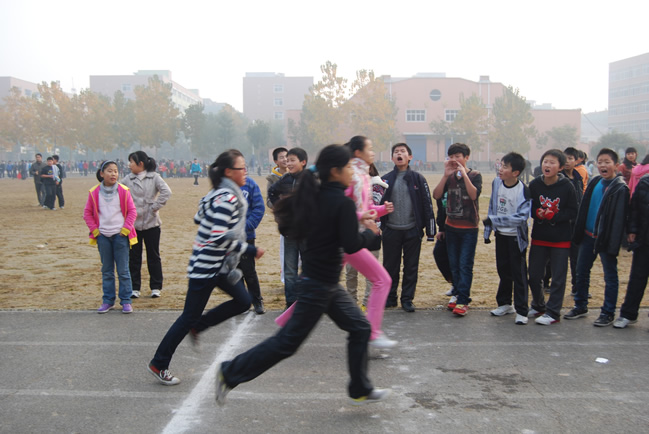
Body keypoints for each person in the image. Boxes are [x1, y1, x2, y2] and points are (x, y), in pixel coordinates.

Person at [215, 144, 390, 406]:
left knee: (361, 327)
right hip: (318, 286)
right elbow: (352, 244)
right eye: (348, 169)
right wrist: (370, 234)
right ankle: (230, 371)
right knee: (287, 343)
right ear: (335, 171)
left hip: (326, 284)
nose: (352, 174)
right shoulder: (338, 202)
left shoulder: (318, 196)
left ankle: (359, 387)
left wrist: (361, 222)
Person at [148, 150, 264, 386]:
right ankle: (159, 363)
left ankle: (199, 326)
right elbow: (217, 237)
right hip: (205, 268)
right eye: (242, 168)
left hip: (219, 267)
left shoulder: (216, 194)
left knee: (243, 301)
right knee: (187, 317)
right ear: (229, 172)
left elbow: (199, 218)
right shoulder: (227, 198)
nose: (246, 172)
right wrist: (250, 250)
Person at [563, 148, 629, 326]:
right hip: (587, 236)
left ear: (616, 165)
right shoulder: (595, 182)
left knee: (610, 276)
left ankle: (607, 312)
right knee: (581, 271)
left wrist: (614, 243)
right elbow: (585, 208)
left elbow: (619, 220)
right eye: (600, 162)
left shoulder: (620, 188)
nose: (603, 165)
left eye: (607, 162)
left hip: (605, 238)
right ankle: (580, 305)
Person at [343, 136, 396, 348]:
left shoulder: (363, 174)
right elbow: (343, 208)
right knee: (383, 280)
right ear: (358, 152)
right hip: (349, 238)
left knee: (318, 285)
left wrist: (381, 210)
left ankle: (286, 323)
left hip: (349, 238)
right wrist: (364, 218)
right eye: (370, 148)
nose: (373, 152)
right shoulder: (353, 176)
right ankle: (372, 333)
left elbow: (362, 207)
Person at [381, 143, 436, 312]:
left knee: (411, 266)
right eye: (396, 152)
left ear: (410, 157)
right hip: (391, 229)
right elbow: (377, 204)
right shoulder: (385, 180)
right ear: (392, 158)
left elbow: (427, 204)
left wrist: (430, 230)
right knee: (390, 266)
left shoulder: (418, 179)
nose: (399, 154)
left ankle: (407, 299)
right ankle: (390, 298)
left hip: (412, 229)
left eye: (403, 151)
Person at [527, 150, 579, 325]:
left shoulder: (567, 186)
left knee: (558, 277)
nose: (547, 165)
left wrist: (554, 216)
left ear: (561, 167)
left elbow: (573, 211)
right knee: (534, 275)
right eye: (545, 162)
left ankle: (553, 312)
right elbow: (529, 207)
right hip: (540, 237)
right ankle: (539, 305)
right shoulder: (534, 185)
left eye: (552, 162)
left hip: (561, 238)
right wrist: (538, 213)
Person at [433, 143, 481, 316]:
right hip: (451, 227)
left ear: (466, 157)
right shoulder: (449, 177)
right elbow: (437, 195)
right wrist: (446, 176)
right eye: (451, 157)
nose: (454, 160)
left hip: (469, 229)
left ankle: (463, 300)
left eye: (458, 156)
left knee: (465, 265)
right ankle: (457, 294)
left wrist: (464, 174)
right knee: (454, 264)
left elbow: (474, 195)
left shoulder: (475, 175)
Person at [483, 152, 532, 325]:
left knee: (518, 274)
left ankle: (522, 310)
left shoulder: (524, 190)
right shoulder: (497, 183)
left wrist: (495, 220)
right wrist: (488, 231)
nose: (500, 169)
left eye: (505, 166)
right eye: (501, 165)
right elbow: (493, 206)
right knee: (503, 270)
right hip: (501, 235)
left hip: (515, 238)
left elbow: (521, 217)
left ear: (515, 172)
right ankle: (504, 303)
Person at [83, 160, 137, 314]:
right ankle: (108, 300)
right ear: (101, 174)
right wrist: (95, 231)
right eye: (109, 171)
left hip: (120, 236)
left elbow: (132, 212)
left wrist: (125, 230)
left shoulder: (123, 190)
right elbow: (87, 213)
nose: (113, 174)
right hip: (103, 236)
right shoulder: (94, 192)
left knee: (123, 270)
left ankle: (126, 300)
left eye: (115, 171)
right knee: (107, 270)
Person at [121, 151, 172, 299]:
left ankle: (156, 286)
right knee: (134, 256)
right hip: (133, 225)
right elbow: (118, 191)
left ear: (140, 164)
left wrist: (154, 207)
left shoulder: (154, 177)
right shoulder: (127, 179)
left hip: (152, 223)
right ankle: (134, 287)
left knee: (153, 256)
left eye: (131, 162)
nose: (129, 165)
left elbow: (166, 192)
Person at [268, 147, 308, 309]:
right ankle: (291, 302)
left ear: (303, 162)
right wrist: (281, 210)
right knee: (290, 269)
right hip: (289, 232)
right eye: (287, 160)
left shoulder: (310, 180)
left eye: (292, 160)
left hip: (307, 232)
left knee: (307, 268)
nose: (288, 163)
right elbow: (271, 194)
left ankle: (306, 300)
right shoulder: (284, 180)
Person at [614, 173, 649, 328]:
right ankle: (628, 314)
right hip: (644, 239)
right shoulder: (645, 183)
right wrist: (632, 230)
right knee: (637, 278)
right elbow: (634, 209)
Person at [240, 173, 266, 314]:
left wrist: (248, 225)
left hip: (246, 235)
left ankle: (257, 300)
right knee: (234, 272)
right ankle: (242, 302)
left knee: (248, 270)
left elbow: (259, 208)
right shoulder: (224, 186)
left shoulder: (250, 184)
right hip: (229, 237)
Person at [562, 147, 585, 296]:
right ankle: (547, 282)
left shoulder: (578, 177)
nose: (568, 161)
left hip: (576, 224)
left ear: (576, 160)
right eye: (565, 158)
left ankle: (576, 286)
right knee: (555, 259)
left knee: (576, 257)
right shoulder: (559, 178)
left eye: (571, 158)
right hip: (562, 224)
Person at [266, 147, 288, 285]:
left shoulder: (297, 175)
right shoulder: (273, 179)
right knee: (285, 251)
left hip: (301, 220)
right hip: (284, 220)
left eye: (287, 156)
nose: (285, 160)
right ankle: (286, 280)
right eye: (281, 157)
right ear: (275, 161)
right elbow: (269, 201)